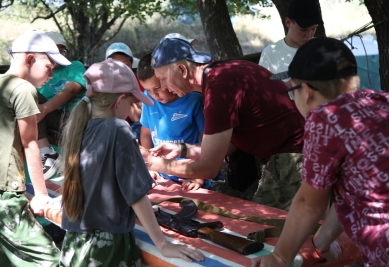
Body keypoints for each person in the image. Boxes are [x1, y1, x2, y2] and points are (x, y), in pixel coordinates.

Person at [252, 37, 389, 267]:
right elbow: (359, 189)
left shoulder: (325, 118)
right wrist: (323, 241)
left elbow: (309, 203)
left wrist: (279, 257)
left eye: (291, 91)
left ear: (305, 91)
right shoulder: (380, 101)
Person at [58, 58, 204, 266]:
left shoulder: (80, 126)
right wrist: (163, 244)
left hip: (75, 243)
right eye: (132, 103)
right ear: (119, 102)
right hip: (107, 247)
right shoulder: (118, 129)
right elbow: (136, 195)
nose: (132, 110)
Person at [143, 38, 305, 211]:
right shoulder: (219, 75)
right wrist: (183, 150)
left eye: (163, 79)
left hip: (292, 157)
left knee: (265, 222)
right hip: (283, 155)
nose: (164, 87)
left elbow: (209, 167)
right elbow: (226, 145)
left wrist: (151, 163)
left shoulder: (219, 89)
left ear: (182, 70)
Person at [0, 30, 71, 266]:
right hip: (5, 193)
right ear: (30, 59)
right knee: (49, 260)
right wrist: (42, 196)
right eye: (49, 65)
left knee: (0, 258)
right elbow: (30, 143)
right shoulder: (24, 90)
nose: (52, 72)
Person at [137, 53, 211, 190]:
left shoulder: (193, 100)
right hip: (162, 176)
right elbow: (146, 133)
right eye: (148, 90)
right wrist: (150, 168)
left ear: (166, 79)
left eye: (157, 88)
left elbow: (207, 144)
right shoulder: (148, 99)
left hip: (190, 175)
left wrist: (199, 177)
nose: (154, 95)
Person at [37, 31, 86, 179]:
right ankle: (46, 151)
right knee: (29, 97)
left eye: (62, 50)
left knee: (34, 101)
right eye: (53, 51)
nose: (58, 54)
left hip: (77, 115)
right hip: (55, 118)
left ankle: (47, 153)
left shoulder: (74, 66)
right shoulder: (40, 74)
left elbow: (71, 89)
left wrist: (45, 109)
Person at [258, 0, 323, 83]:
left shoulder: (322, 47)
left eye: (313, 29)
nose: (309, 35)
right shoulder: (270, 53)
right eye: (303, 29)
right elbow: (265, 89)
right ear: (288, 22)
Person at [105, 42, 143, 142]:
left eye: (125, 65)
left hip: (132, 126)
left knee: (138, 129)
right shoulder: (101, 84)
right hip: (108, 125)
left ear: (131, 65)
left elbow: (136, 117)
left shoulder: (138, 82)